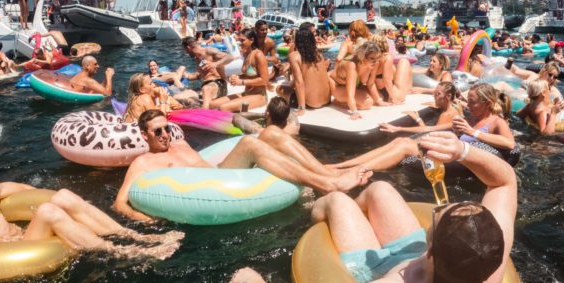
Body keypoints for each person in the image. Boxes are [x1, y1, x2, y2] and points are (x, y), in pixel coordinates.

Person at [229, 131, 516, 283]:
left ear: (432, 251)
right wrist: (463, 150)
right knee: (380, 188)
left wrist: (251, 278)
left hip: (378, 277)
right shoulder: (487, 263)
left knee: (338, 202)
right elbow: (504, 182)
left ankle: (315, 205)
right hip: (414, 264)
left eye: (437, 216)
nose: (438, 207)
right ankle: (354, 199)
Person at [0, 155, 183, 283]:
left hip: (29, 241)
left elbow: (30, 191)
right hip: (15, 262)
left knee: (61, 196)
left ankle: (135, 236)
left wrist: (63, 208)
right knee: (48, 211)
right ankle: (127, 252)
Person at [113, 110, 374, 222]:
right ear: (144, 135)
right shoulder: (143, 162)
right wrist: (145, 221)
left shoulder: (179, 145)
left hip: (221, 175)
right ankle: (327, 184)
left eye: (166, 128)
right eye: (157, 131)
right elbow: (119, 203)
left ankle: (326, 171)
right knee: (250, 144)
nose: (164, 134)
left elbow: (208, 158)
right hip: (212, 189)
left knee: (271, 132)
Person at [451, 83, 517, 162]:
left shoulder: (497, 122)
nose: (468, 105)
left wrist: (473, 132)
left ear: (487, 103)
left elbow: (510, 144)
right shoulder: (467, 120)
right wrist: (455, 132)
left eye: (472, 102)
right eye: (468, 100)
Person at [329, 40, 390, 119]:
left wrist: (379, 101)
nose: (375, 61)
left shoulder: (373, 63)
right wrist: (354, 112)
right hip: (337, 85)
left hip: (353, 85)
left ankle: (343, 101)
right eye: (372, 58)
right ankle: (338, 102)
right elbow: (350, 94)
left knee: (380, 97)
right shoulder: (351, 65)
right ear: (363, 56)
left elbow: (370, 83)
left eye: (377, 58)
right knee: (368, 103)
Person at [280, 26, 331, 114]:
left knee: (279, 89)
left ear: (297, 42)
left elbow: (299, 83)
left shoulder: (295, 56)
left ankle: (302, 104)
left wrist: (302, 107)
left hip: (311, 104)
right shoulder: (319, 55)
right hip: (327, 101)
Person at [182, 37, 234, 109]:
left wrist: (216, 64)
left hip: (218, 83)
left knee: (206, 89)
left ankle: (204, 115)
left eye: (185, 50)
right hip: (207, 85)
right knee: (181, 97)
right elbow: (203, 75)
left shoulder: (208, 51)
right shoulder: (197, 58)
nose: (186, 53)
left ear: (188, 47)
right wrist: (188, 76)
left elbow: (230, 57)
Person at [372, 34, 413, 103]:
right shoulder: (387, 57)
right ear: (384, 44)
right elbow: (387, 80)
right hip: (390, 94)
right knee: (404, 61)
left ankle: (409, 89)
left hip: (381, 91)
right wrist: (394, 98)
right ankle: (409, 89)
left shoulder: (372, 59)